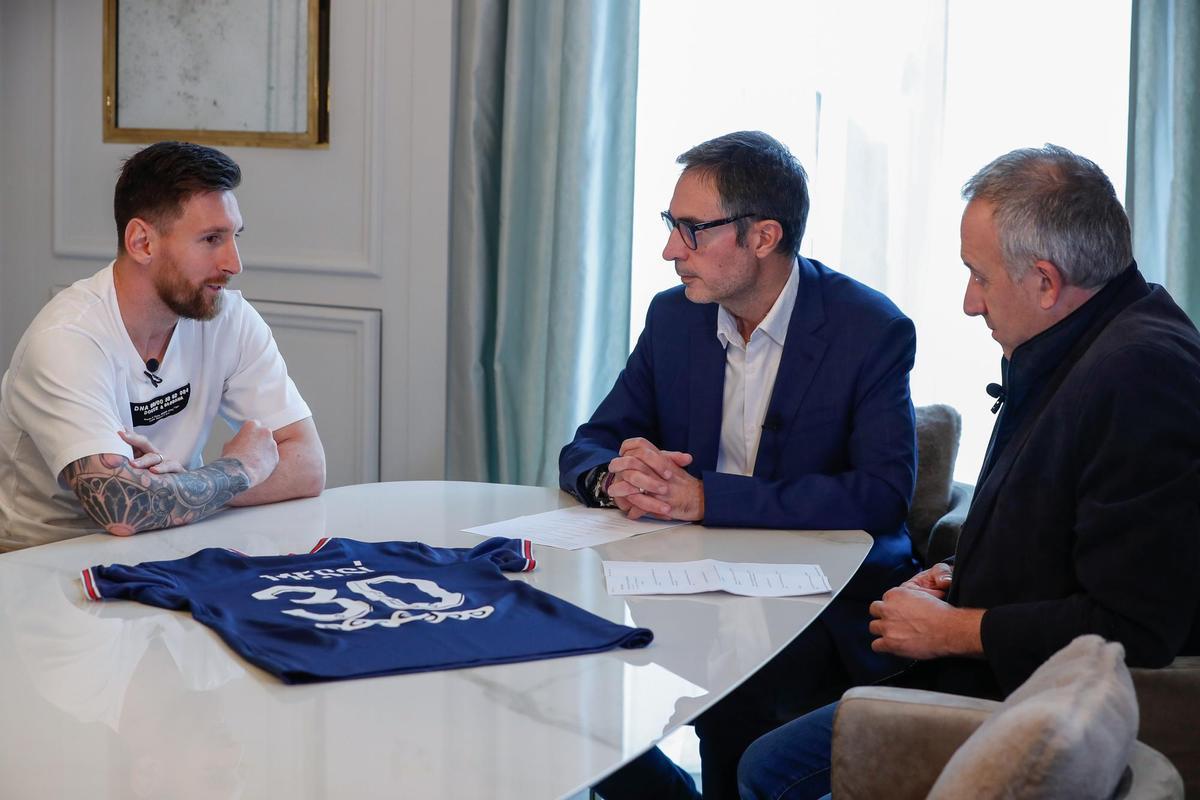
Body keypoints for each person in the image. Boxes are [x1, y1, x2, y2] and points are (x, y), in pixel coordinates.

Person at [737, 144, 1200, 800]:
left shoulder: (1141, 377)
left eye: (979, 276)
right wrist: (965, 577)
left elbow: (1136, 624)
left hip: (1015, 693)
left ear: (1044, 281)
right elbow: (1073, 532)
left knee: (766, 771)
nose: (968, 303)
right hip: (998, 666)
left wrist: (951, 629)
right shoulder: (1094, 341)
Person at [559, 131, 919, 799]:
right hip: (688, 587)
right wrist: (616, 476)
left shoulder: (869, 328)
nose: (671, 249)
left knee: (744, 717)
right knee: (567, 685)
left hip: (819, 605)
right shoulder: (674, 318)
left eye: (692, 230)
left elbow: (881, 496)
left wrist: (707, 498)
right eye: (671, 226)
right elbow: (588, 443)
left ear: (763, 237)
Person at [0, 141, 325, 551]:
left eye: (233, 236)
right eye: (210, 239)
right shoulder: (66, 340)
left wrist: (176, 488)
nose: (233, 264)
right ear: (142, 242)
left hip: (174, 545)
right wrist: (239, 469)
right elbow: (123, 510)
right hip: (42, 564)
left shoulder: (228, 318)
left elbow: (308, 465)